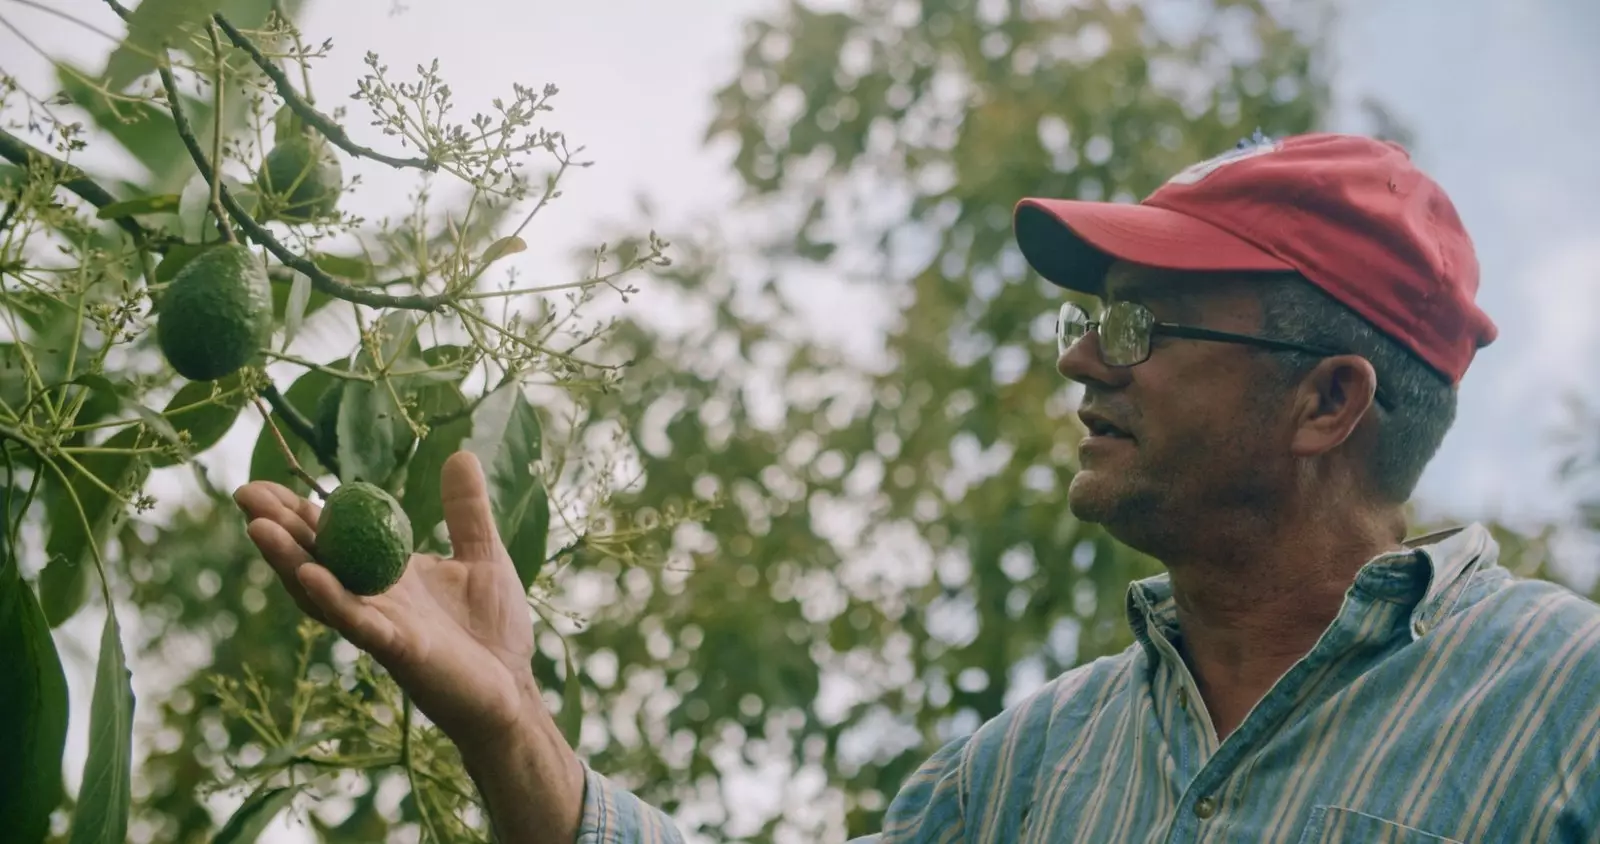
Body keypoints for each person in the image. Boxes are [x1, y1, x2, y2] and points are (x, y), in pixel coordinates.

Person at [235, 132, 1600, 843]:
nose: (1080, 356)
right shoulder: (1027, 771)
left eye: (1137, 325)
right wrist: (510, 724)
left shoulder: (1566, 707)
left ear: (1327, 402)